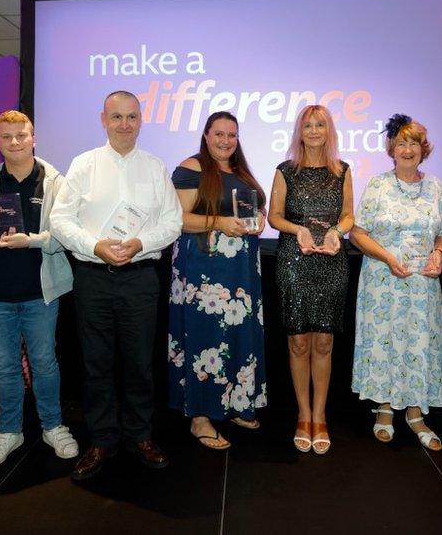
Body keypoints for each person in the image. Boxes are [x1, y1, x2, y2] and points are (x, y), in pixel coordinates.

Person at [50, 91, 182, 479]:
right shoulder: (83, 165)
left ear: (141, 120)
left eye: (132, 117)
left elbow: (172, 222)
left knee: (140, 364)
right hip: (93, 279)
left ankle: (140, 434)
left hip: (141, 280)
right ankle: (102, 440)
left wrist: (141, 242)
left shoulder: (156, 168)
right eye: (117, 117)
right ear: (103, 119)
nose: (125, 124)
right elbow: (60, 220)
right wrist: (95, 246)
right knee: (96, 365)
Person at [0, 110, 78, 468]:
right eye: (7, 137)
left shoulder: (56, 182)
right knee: (6, 366)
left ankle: (53, 426)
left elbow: (66, 237)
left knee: (44, 363)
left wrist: (34, 241)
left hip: (40, 292)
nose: (14, 142)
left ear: (33, 137)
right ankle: (9, 430)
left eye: (21, 135)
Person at [349, 114, 442, 451]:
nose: (408, 149)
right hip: (383, 281)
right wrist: (387, 258)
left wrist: (439, 252)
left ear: (424, 149)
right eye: (401, 143)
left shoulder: (437, 187)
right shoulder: (378, 185)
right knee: (383, 342)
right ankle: (383, 409)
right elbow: (358, 233)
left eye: (414, 143)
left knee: (418, 343)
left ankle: (414, 412)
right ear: (391, 149)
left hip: (422, 286)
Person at [168, 111, 267, 450]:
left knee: (238, 335)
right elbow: (179, 219)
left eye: (232, 135)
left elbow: (255, 209)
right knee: (204, 339)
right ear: (206, 135)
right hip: (203, 270)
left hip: (240, 271)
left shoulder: (239, 171)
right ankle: (200, 416)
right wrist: (220, 222)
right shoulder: (191, 167)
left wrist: (260, 219)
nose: (226, 141)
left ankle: (236, 402)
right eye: (219, 134)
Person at [268, 105, 353, 455]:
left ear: (328, 130)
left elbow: (349, 215)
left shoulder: (343, 170)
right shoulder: (285, 171)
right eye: (308, 125)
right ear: (299, 131)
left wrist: (336, 231)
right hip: (295, 261)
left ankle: (321, 416)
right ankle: (303, 415)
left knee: (324, 344)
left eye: (320, 125)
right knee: (299, 343)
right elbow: (273, 217)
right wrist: (298, 229)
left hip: (332, 263)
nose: (314, 130)